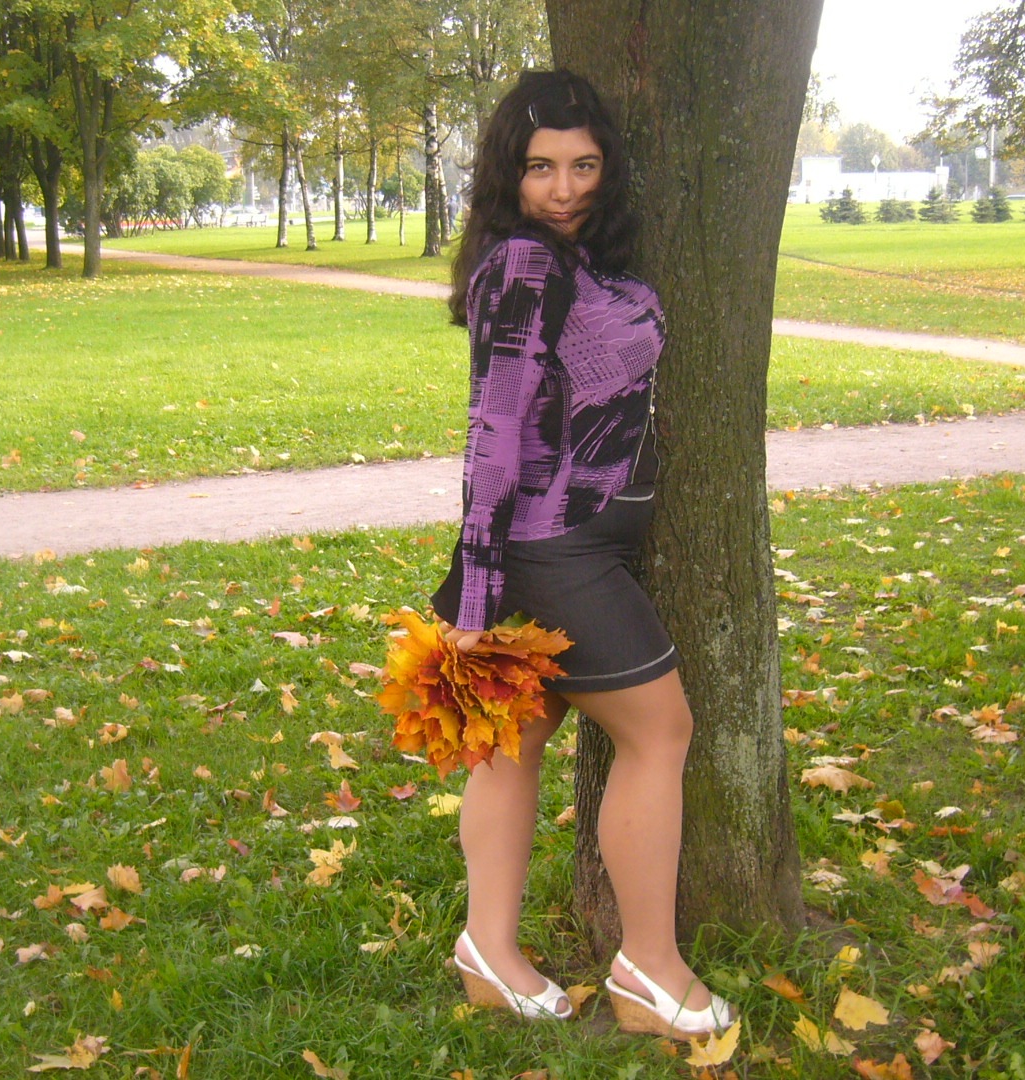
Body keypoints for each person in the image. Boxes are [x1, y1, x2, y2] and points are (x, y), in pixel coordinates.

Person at [429, 69, 735, 1040]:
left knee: (518, 741)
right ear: (507, 175)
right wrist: (475, 604)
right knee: (660, 732)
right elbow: (492, 434)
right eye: (541, 168)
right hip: (553, 545)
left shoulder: (575, 260)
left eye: (584, 165)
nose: (563, 188)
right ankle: (649, 970)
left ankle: (489, 950)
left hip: (576, 537)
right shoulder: (523, 264)